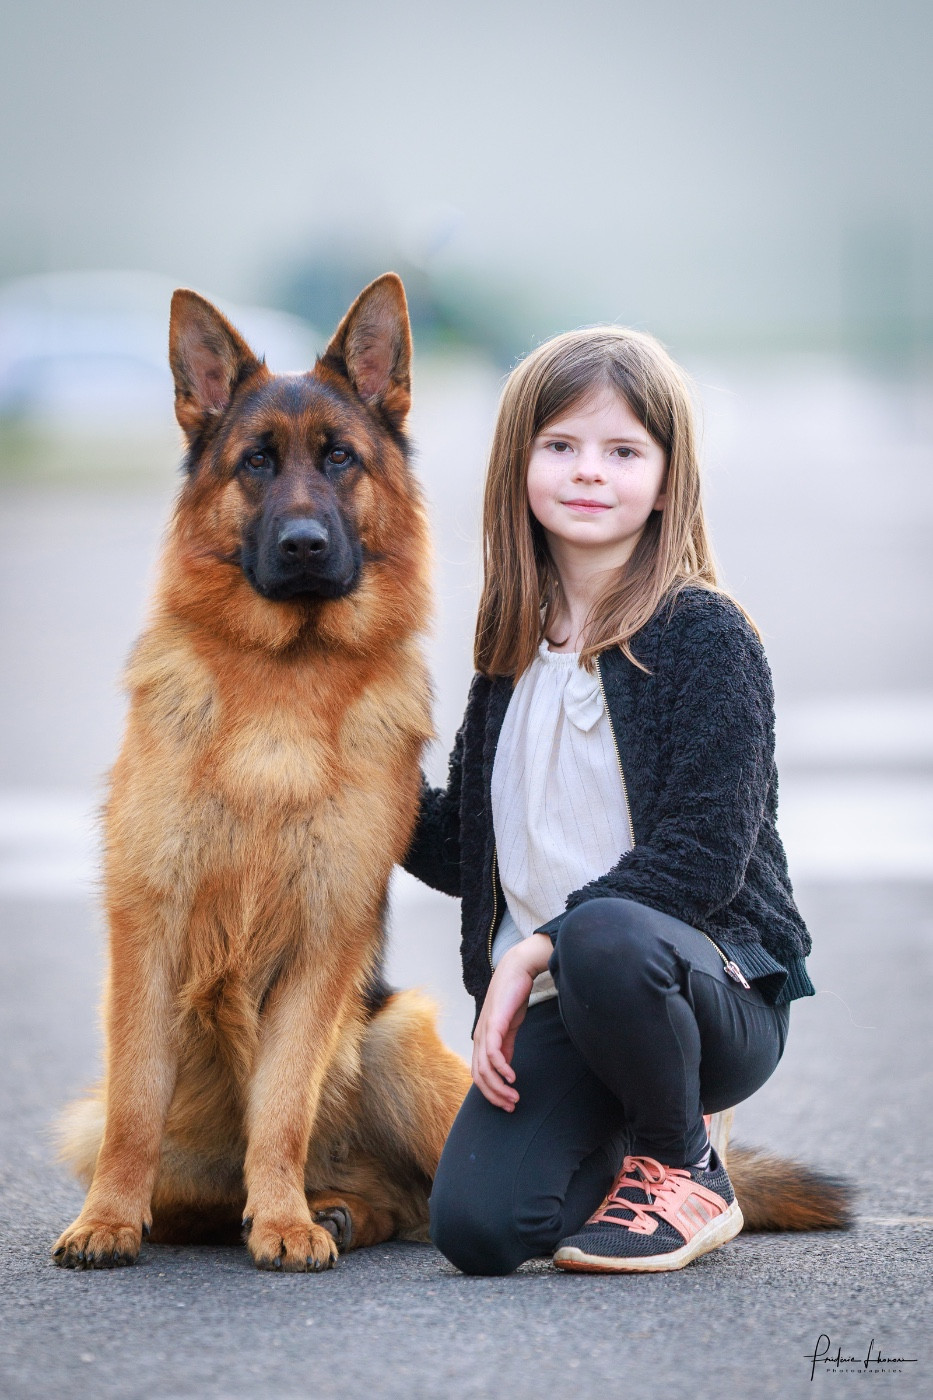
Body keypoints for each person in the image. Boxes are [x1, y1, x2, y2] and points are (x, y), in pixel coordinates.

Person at [402, 326, 814, 1276]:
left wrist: (533, 952)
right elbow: (463, 844)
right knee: (480, 1230)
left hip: (704, 994)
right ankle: (631, 1144)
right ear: (520, 468)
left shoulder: (702, 636)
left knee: (603, 932)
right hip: (570, 1004)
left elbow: (702, 856)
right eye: (560, 446)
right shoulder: (509, 656)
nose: (589, 472)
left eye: (623, 451)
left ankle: (683, 1163)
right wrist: (357, 781)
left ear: (667, 482)